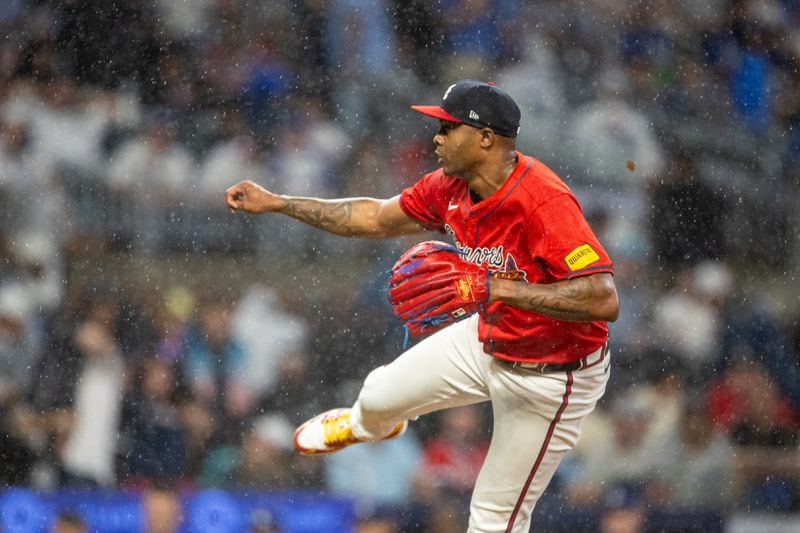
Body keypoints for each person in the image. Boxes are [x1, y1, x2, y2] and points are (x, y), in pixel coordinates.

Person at [225, 79, 619, 532]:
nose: (436, 136)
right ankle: (372, 424)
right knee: (375, 398)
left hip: (555, 375)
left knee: (493, 520)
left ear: (486, 138)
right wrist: (280, 202)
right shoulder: (449, 185)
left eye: (448, 127)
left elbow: (603, 299)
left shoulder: (543, 201)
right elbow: (372, 216)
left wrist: (497, 288)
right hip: (490, 337)